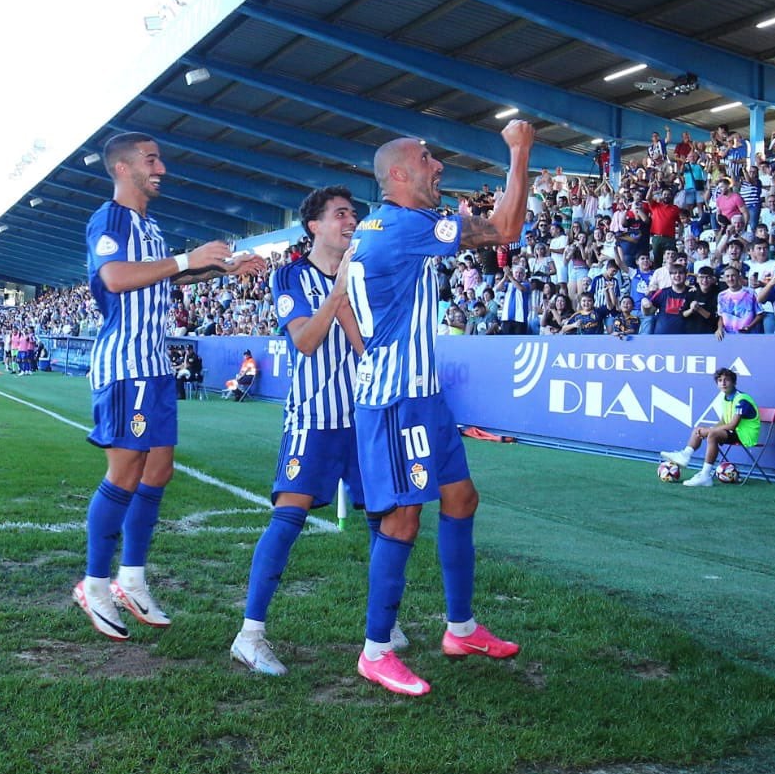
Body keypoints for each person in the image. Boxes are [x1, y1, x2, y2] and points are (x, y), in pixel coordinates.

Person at [344, 121, 531, 696]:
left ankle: (461, 628)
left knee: (460, 496)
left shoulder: (380, 229)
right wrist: (520, 150)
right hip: (398, 400)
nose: (438, 166)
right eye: (427, 159)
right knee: (404, 517)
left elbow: (349, 311)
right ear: (398, 175)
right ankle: (376, 652)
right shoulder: (403, 225)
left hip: (418, 394)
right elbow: (506, 227)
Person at [74, 131, 268, 641]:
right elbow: (115, 277)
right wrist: (190, 257)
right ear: (122, 168)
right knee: (125, 471)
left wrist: (219, 270)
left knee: (157, 471)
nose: (161, 167)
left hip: (155, 366)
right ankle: (94, 583)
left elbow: (162, 279)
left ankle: (131, 578)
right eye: (151, 159)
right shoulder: (110, 219)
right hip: (126, 364)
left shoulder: (150, 227)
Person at [232, 186, 378, 676]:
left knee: (387, 518)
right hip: (313, 419)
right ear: (313, 225)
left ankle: (383, 625)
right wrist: (338, 296)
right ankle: (250, 635)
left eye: (354, 213)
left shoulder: (366, 273)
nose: (351, 220)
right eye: (341, 213)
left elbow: (369, 345)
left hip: (363, 417)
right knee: (288, 518)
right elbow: (306, 342)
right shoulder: (291, 275)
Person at [659, 367, 759, 488]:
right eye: (720, 380)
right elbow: (723, 421)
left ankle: (705, 476)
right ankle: (685, 455)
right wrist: (707, 430)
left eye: (727, 380)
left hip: (745, 436)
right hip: (734, 432)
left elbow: (733, 424)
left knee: (713, 434)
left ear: (734, 382)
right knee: (698, 430)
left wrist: (710, 431)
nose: (723, 383)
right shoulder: (725, 398)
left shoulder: (742, 400)